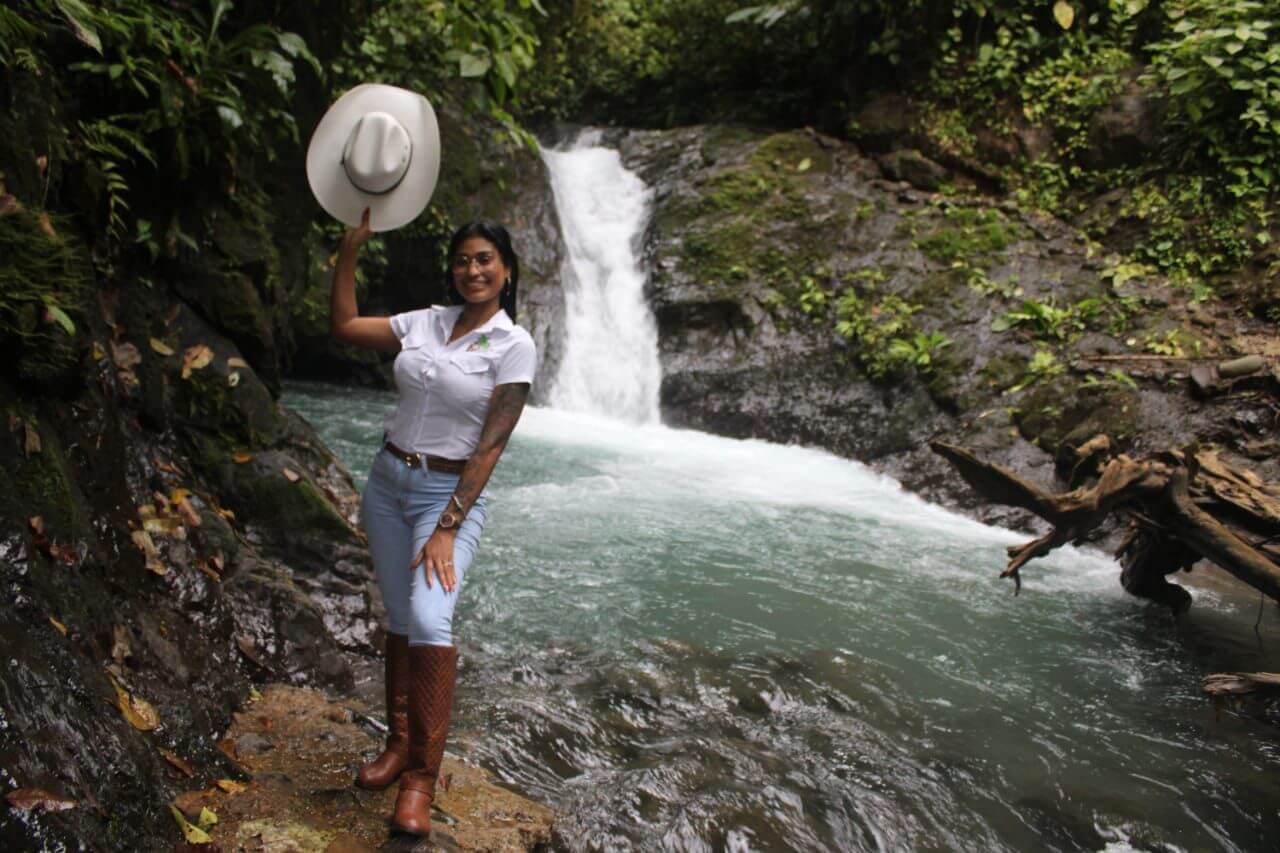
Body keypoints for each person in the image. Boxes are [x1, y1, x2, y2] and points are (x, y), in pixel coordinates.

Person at [329, 210, 536, 836]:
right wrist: (348, 252)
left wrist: (448, 523)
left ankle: (421, 777)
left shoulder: (512, 344)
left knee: (429, 616)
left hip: (447, 495)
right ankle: (397, 744)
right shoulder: (425, 322)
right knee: (398, 613)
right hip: (389, 482)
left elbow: (493, 446)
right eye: (463, 260)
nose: (472, 270)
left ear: (505, 270)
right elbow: (342, 326)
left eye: (484, 260)